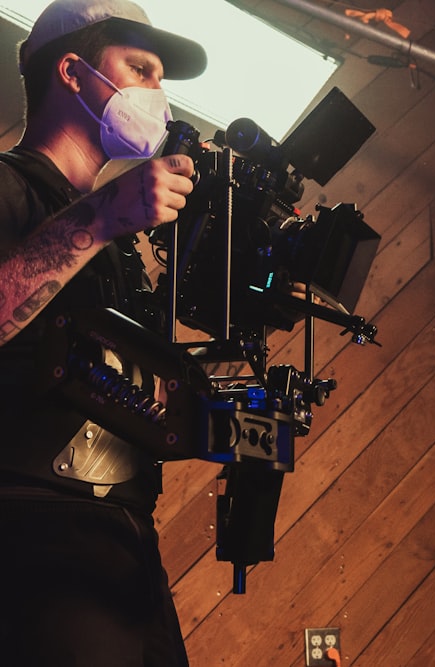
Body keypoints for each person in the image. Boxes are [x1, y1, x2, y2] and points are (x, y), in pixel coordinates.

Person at [0, 1, 205, 665]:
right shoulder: (6, 187)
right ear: (72, 71)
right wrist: (105, 214)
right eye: (141, 70)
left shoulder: (118, 246)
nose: (158, 96)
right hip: (31, 536)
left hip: (125, 548)